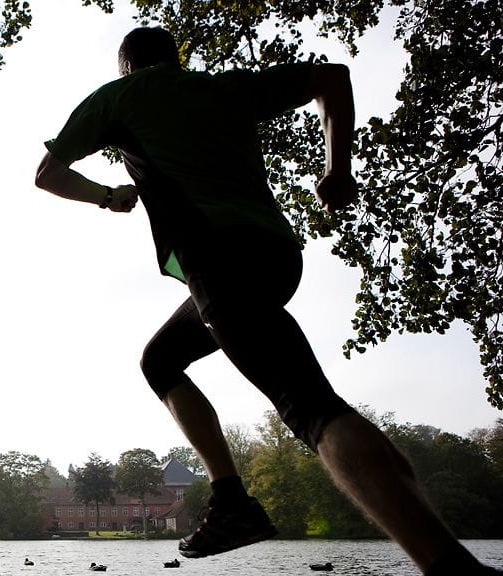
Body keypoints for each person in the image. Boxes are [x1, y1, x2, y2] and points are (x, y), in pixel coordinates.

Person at [34, 26, 499, 575]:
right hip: (277, 257)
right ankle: (230, 498)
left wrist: (108, 196)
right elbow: (332, 78)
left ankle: (452, 568)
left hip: (218, 258)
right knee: (160, 361)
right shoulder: (225, 88)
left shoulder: (121, 96)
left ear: (127, 66)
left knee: (313, 409)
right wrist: (337, 169)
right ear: (176, 58)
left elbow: (48, 174)